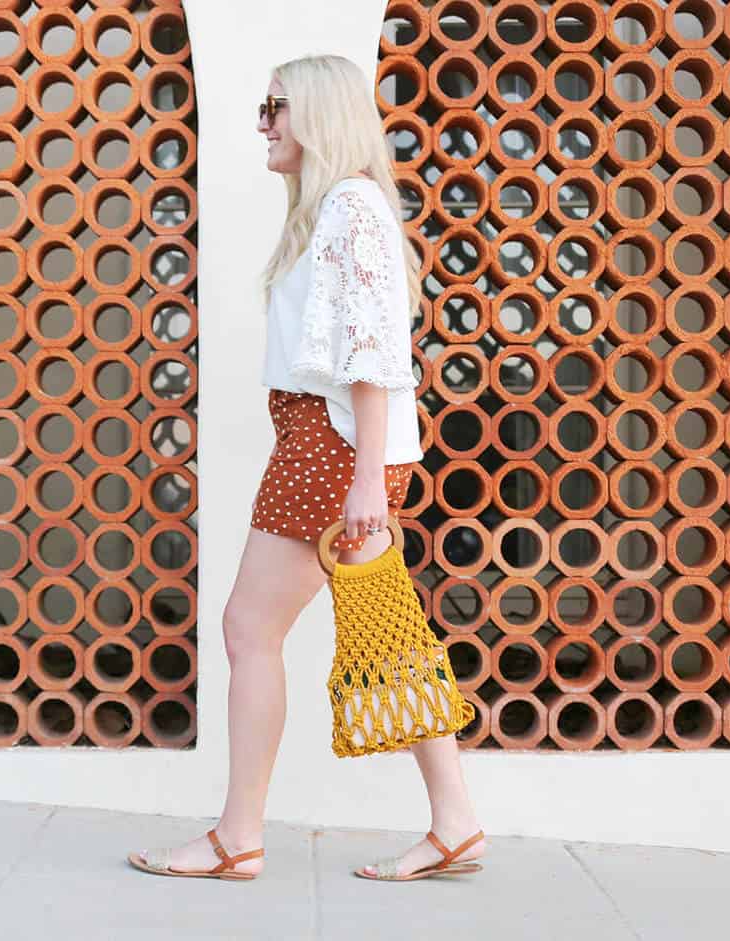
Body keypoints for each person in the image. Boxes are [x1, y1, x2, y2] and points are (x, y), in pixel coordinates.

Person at [127, 54, 485, 883]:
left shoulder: (350, 209)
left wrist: (362, 478)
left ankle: (236, 836)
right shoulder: (336, 210)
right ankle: (456, 819)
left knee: (249, 630)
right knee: (395, 639)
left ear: (318, 113)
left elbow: (370, 353)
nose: (263, 122)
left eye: (275, 106)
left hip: (330, 450)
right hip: (335, 446)